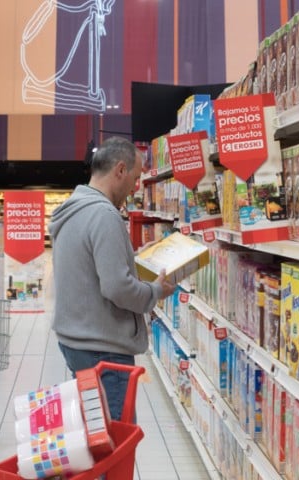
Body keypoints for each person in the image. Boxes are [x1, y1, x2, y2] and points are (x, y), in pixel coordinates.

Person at [49, 136, 176, 421]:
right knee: (115, 437)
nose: (135, 187)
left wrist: (133, 259)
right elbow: (118, 288)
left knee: (96, 431)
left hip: (77, 341)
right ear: (120, 170)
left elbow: (89, 269)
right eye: (136, 177)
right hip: (103, 350)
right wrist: (155, 291)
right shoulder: (104, 215)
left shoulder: (74, 208)